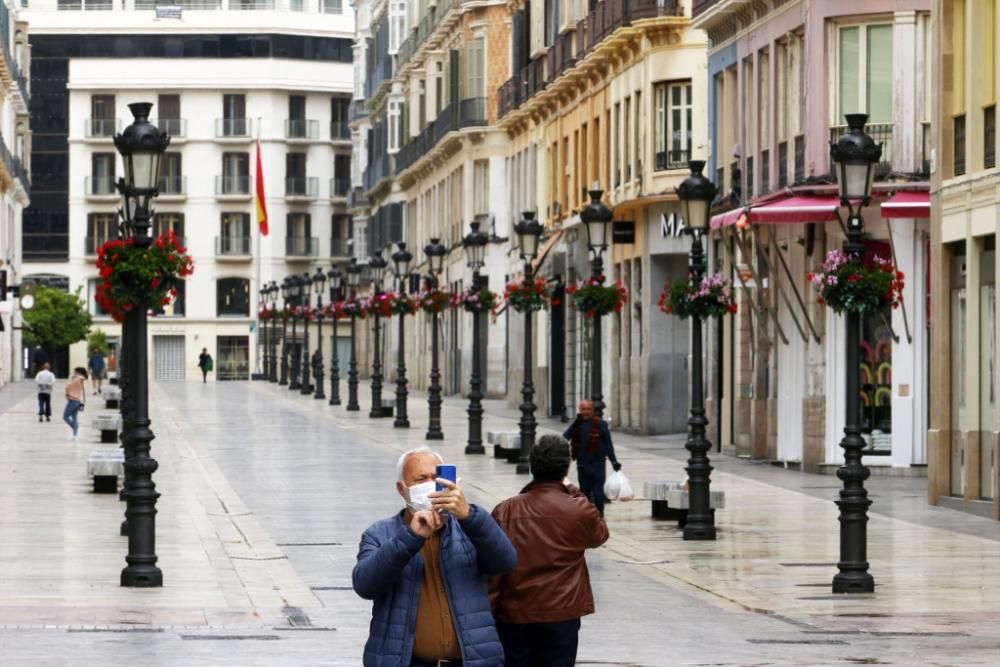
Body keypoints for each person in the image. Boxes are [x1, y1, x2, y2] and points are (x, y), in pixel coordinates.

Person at [352, 446, 517, 667]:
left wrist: (469, 516)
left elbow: (505, 561)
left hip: (471, 661)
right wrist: (410, 537)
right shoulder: (380, 534)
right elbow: (365, 584)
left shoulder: (469, 525)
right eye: (421, 480)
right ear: (402, 489)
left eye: (435, 478)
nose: (430, 485)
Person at [490, 435, 609, 667]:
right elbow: (599, 535)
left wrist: (490, 612)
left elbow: (493, 571)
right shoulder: (578, 509)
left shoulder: (506, 510)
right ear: (566, 468)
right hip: (561, 614)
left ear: (533, 467)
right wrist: (572, 490)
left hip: (515, 614)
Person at [563, 399, 621, 516]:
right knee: (584, 494)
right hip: (582, 466)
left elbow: (608, 445)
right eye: (583, 409)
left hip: (597, 465)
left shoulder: (601, 425)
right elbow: (565, 437)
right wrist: (575, 422)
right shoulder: (577, 424)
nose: (585, 412)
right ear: (579, 410)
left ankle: (599, 517)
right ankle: (587, 517)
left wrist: (614, 461)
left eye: (588, 409)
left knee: (598, 494)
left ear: (593, 411)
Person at [63, 367, 87, 440]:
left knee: (65, 417)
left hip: (72, 400)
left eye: (75, 372)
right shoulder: (81, 379)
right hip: (77, 401)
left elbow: (68, 387)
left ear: (78, 372)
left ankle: (75, 428)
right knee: (74, 417)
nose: (74, 373)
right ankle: (75, 434)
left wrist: (72, 379)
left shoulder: (77, 379)